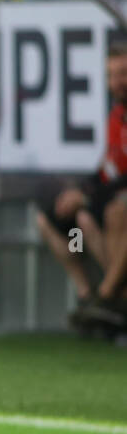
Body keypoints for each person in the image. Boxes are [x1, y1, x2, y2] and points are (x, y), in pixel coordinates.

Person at [37, 40, 127, 332]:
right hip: (114, 195)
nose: (117, 82)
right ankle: (91, 296)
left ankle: (109, 296)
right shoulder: (116, 116)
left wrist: (86, 194)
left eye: (123, 73)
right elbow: (108, 169)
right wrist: (79, 192)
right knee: (66, 217)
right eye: (111, 75)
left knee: (117, 211)